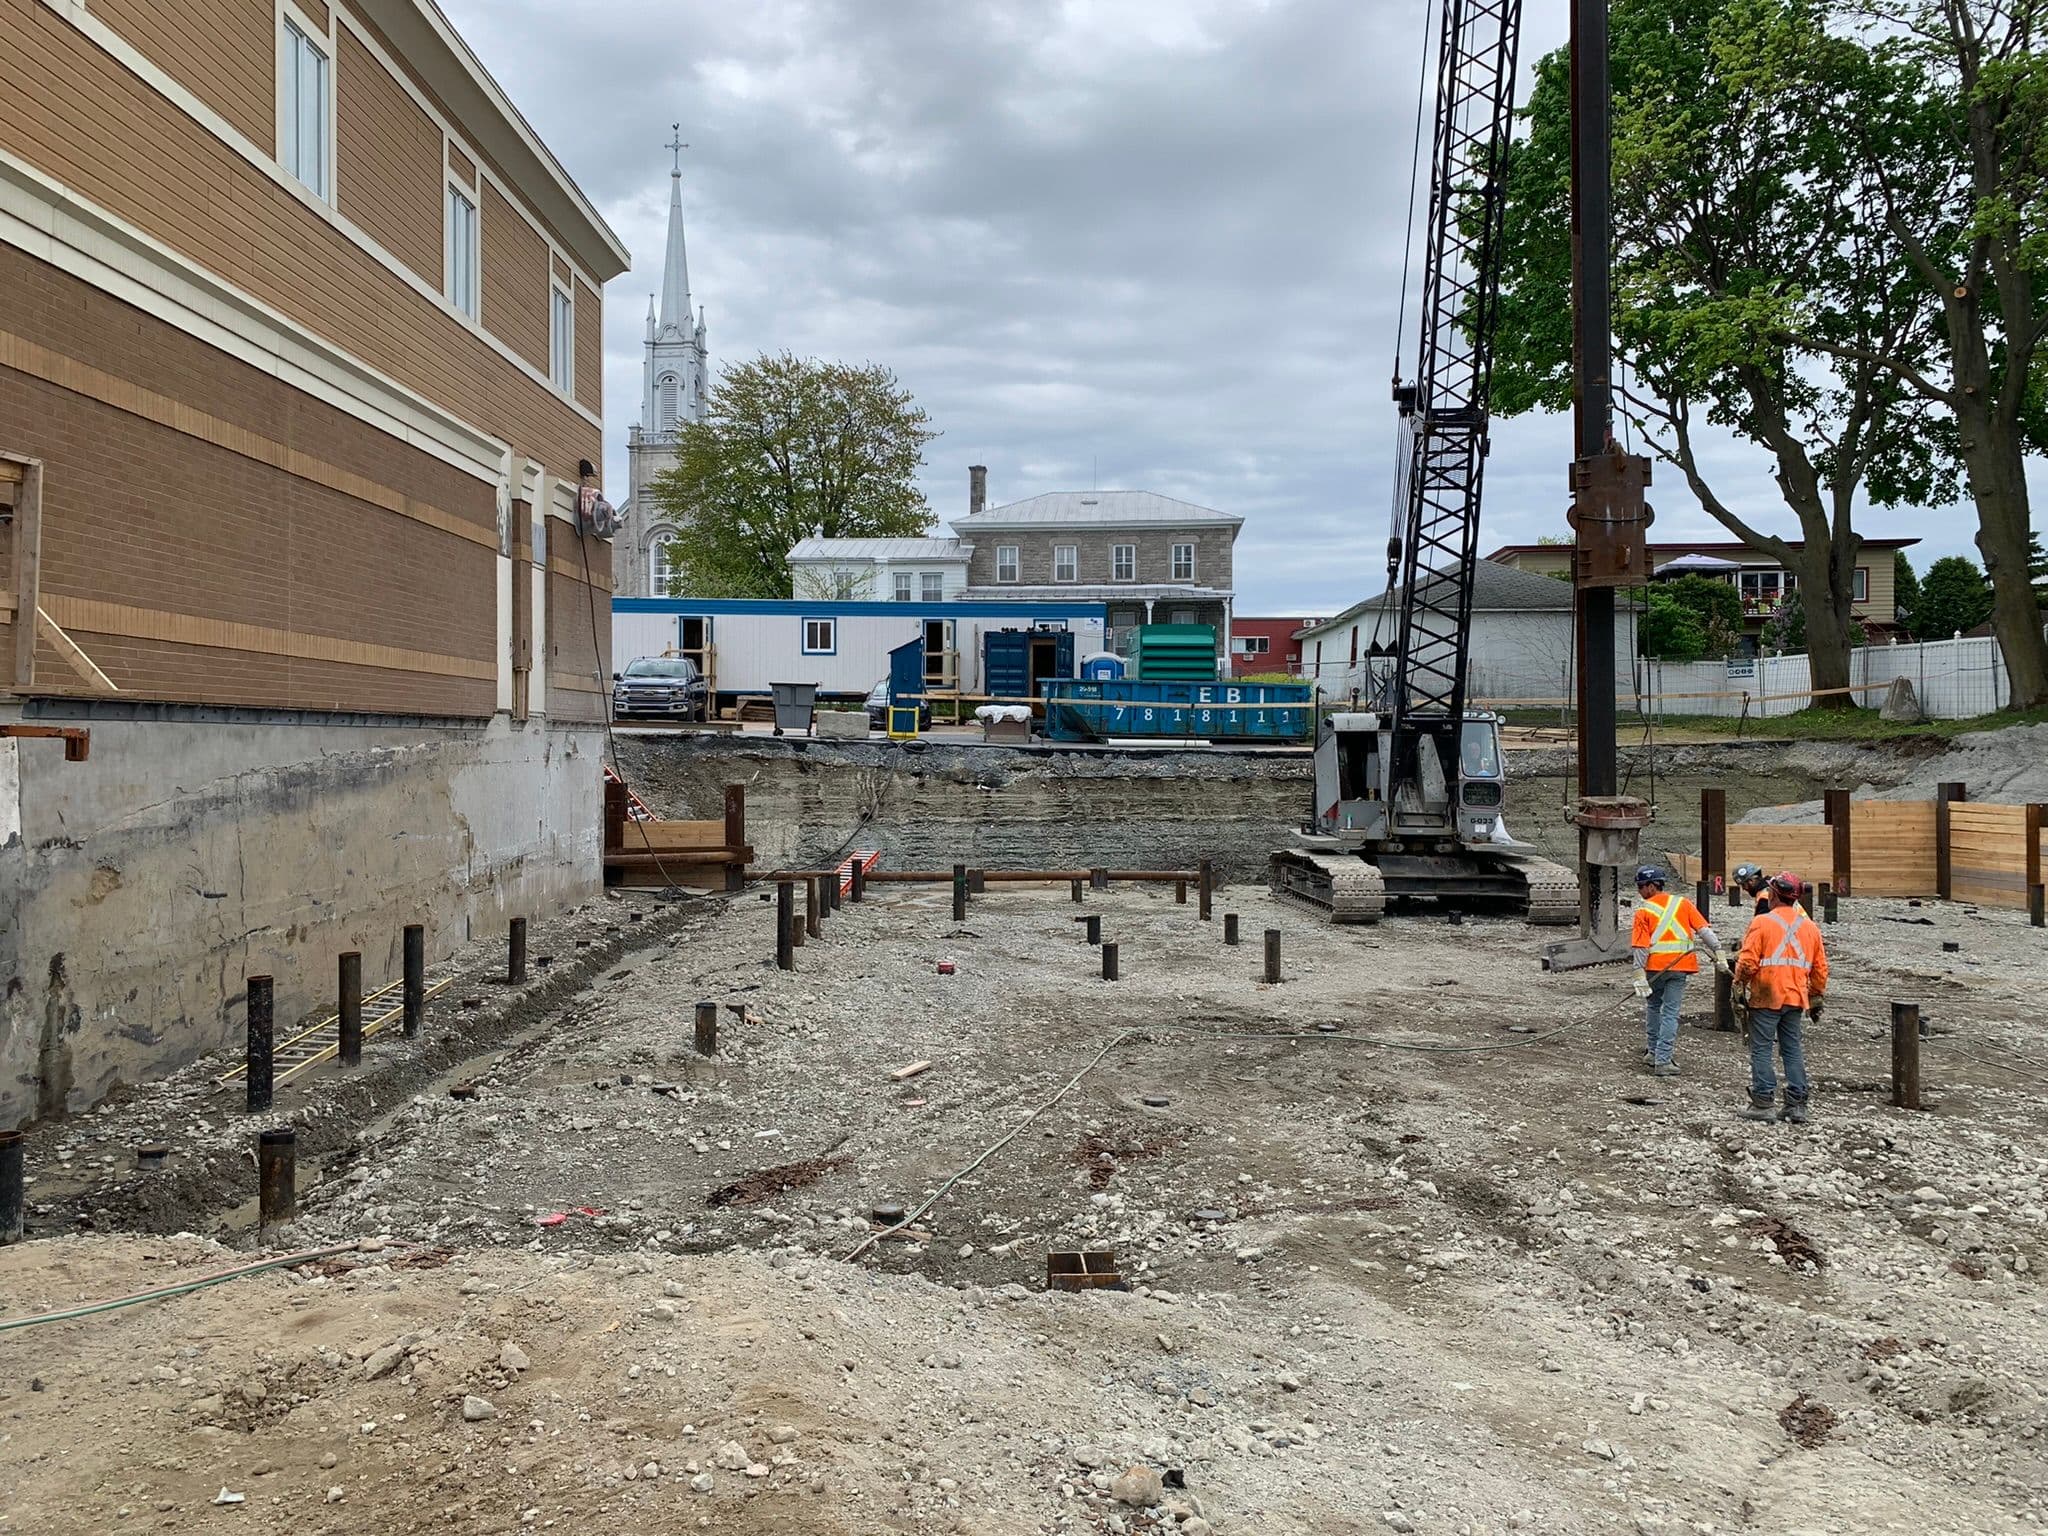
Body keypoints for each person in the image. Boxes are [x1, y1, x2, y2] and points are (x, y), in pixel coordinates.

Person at [1732, 869, 1830, 1123]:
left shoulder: (1762, 922)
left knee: (1762, 1048)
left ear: (1774, 894)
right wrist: (1816, 995)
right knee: (1792, 1049)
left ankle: (1763, 1101)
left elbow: (1748, 961)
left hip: (1767, 995)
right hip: (1796, 996)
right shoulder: (1810, 927)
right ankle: (1797, 1105)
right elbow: (1820, 968)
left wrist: (1739, 984)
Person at [1628, 865, 1727, 1076]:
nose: (1639, 891)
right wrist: (1718, 952)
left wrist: (1638, 973)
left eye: (1641, 886)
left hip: (1655, 969)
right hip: (1680, 967)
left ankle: (1654, 1054)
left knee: (1654, 1008)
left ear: (1652, 886)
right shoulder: (1683, 903)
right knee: (1670, 1012)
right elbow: (1704, 931)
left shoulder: (1643, 911)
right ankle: (1662, 1059)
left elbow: (1640, 946)